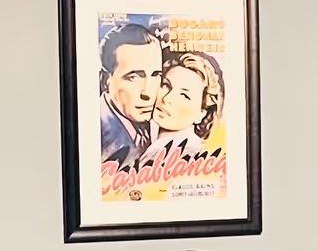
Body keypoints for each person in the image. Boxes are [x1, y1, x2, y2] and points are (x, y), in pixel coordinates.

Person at [97, 19, 166, 166]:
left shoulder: (161, 124)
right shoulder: (96, 133)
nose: (148, 93)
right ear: (105, 81)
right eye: (134, 77)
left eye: (155, 75)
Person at [147, 50, 226, 161]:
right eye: (165, 85)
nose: (166, 98)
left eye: (184, 95)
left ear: (202, 113)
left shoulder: (187, 154)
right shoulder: (156, 145)